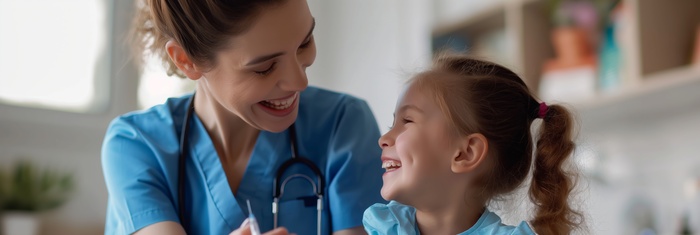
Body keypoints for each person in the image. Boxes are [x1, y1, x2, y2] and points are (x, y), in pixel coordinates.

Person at [101, 0, 385, 234]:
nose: (299, 82)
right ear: (187, 60)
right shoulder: (136, 145)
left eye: (304, 43)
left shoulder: (343, 125)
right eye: (265, 67)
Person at [363, 54, 585, 235]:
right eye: (393, 123)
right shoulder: (384, 228)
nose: (384, 139)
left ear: (465, 153)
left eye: (407, 121)